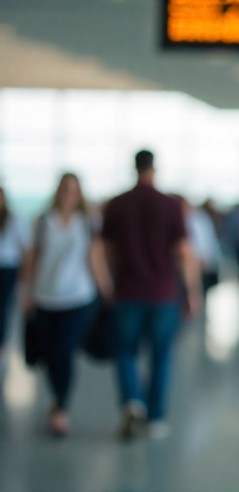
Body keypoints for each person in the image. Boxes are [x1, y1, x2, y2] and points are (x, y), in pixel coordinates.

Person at [101, 149, 201, 440]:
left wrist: (108, 284)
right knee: (161, 354)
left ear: (134, 168)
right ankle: (156, 417)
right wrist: (192, 292)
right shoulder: (170, 205)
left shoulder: (117, 205)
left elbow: (105, 250)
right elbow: (183, 252)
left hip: (127, 290)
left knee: (125, 349)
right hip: (163, 293)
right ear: (154, 169)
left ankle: (132, 400)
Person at [21, 173, 112, 436]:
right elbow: (34, 259)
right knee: (50, 353)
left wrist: (105, 289)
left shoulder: (87, 222)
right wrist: (27, 292)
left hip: (77, 297)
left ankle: (61, 407)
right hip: (45, 296)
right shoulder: (42, 222)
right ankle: (57, 398)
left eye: (73, 190)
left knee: (64, 351)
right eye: (65, 189)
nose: (69, 195)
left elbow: (95, 257)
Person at [0, 186, 30, 361]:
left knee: (3, 306)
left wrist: (25, 276)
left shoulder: (15, 220)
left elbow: (25, 249)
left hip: (8, 268)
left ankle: (2, 343)